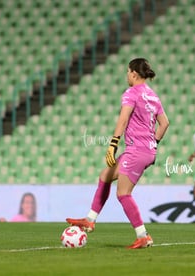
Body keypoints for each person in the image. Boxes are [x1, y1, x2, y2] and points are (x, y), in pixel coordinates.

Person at [66, 58, 170, 249]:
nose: (126, 75)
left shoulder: (131, 93)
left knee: (123, 194)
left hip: (136, 150)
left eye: (127, 71)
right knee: (105, 176)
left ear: (134, 74)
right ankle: (90, 220)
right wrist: (153, 144)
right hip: (144, 150)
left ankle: (143, 236)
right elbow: (165, 124)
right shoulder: (153, 96)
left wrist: (113, 144)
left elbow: (123, 120)